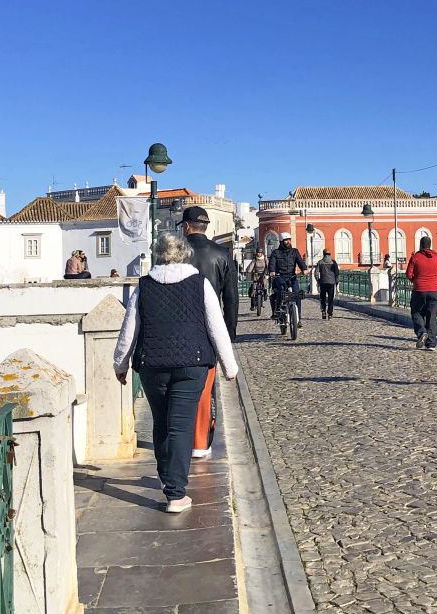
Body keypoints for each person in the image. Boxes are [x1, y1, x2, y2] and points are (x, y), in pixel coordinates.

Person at [113, 232, 238, 513]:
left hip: (152, 365)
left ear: (159, 254)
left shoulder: (144, 286)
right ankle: (176, 494)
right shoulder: (200, 284)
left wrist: (120, 364)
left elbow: (129, 328)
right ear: (185, 254)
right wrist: (230, 367)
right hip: (192, 364)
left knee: (161, 424)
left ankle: (169, 481)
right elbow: (216, 326)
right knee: (180, 426)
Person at [180, 206, 238, 459]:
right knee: (205, 387)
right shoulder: (222, 253)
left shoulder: (177, 251)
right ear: (206, 227)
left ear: (186, 226)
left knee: (178, 386)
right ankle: (201, 441)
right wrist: (229, 333)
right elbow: (232, 297)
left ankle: (181, 438)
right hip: (209, 329)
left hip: (179, 325)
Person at [406, 235, 437, 350]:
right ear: (430, 245)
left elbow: (409, 274)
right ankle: (431, 344)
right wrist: (435, 281)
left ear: (420, 245)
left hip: (419, 290)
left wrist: (416, 281)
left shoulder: (416, 257)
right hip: (433, 290)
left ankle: (421, 333)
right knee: (432, 317)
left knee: (416, 312)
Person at [267, 233, 308, 332]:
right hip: (279, 276)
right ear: (281, 242)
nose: (288, 241)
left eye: (289, 239)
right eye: (286, 240)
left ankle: (298, 319)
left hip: (292, 277)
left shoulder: (294, 251)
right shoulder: (275, 253)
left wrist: (304, 269)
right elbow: (272, 263)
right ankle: (278, 310)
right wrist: (272, 271)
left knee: (297, 294)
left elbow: (300, 261)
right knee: (281, 289)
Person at [315, 249, 340, 319]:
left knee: (322, 298)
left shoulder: (320, 262)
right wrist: (337, 282)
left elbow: (316, 273)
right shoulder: (334, 262)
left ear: (323, 254)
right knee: (330, 299)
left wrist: (318, 280)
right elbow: (337, 273)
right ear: (330, 254)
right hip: (331, 283)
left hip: (323, 282)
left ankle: (323, 311)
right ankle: (330, 313)